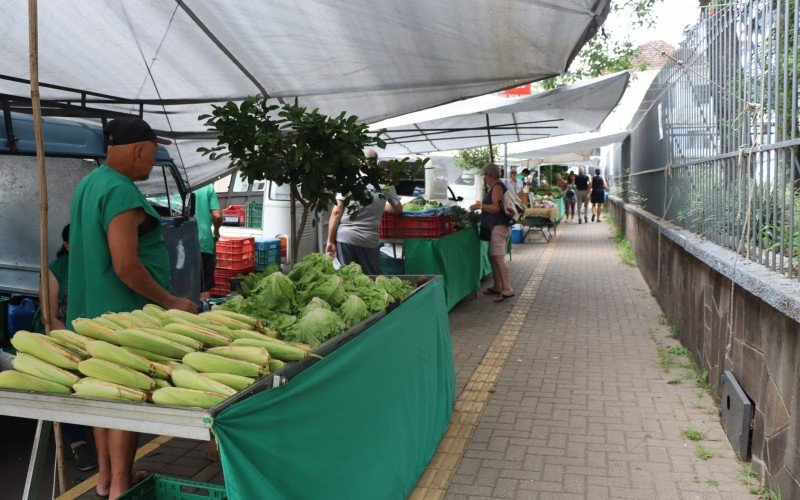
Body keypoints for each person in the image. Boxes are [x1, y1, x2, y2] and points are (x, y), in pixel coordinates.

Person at [67, 116, 197, 499]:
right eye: (152, 156)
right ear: (140, 149)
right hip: (124, 318)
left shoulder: (88, 185)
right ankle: (121, 487)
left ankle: (106, 480)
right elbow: (125, 264)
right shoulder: (121, 191)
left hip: (92, 316)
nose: (150, 165)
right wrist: (171, 301)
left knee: (102, 398)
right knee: (125, 400)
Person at [32, 225, 97, 472]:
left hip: (90, 334)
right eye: (75, 243)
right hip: (58, 333)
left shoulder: (97, 265)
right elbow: (50, 316)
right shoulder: (55, 270)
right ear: (67, 246)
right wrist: (76, 343)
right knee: (67, 382)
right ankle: (77, 441)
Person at [326, 149, 402, 274]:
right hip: (369, 241)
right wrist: (381, 206)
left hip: (346, 238)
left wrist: (330, 241)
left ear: (360, 162)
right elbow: (398, 209)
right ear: (376, 163)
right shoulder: (386, 183)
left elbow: (336, 212)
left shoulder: (349, 180)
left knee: (347, 278)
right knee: (370, 280)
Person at [470, 163, 514, 302]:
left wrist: (480, 206)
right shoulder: (496, 186)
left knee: (498, 257)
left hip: (499, 227)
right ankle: (497, 285)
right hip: (501, 226)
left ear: (489, 175)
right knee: (494, 256)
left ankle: (507, 288)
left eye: (484, 175)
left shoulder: (496, 187)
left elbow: (496, 208)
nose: (484, 177)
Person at [193, 184, 223, 299]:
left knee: (178, 283)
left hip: (178, 242)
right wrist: (216, 230)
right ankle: (203, 314)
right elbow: (217, 215)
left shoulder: (172, 183)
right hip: (204, 241)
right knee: (204, 285)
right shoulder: (207, 186)